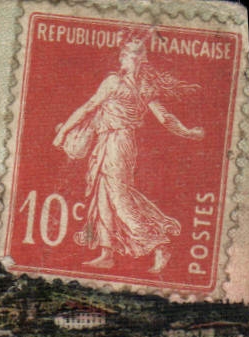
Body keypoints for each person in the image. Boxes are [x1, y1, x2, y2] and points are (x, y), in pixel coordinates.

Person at [52, 35, 205, 273]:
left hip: (120, 142)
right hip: (105, 141)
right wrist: (63, 132)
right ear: (122, 56)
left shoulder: (142, 87)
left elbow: (164, 117)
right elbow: (89, 107)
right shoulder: (114, 82)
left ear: (142, 58)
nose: (130, 56)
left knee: (119, 197)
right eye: (128, 52)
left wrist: (188, 132)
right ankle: (107, 253)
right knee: (103, 194)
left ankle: (159, 244)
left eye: (136, 52)